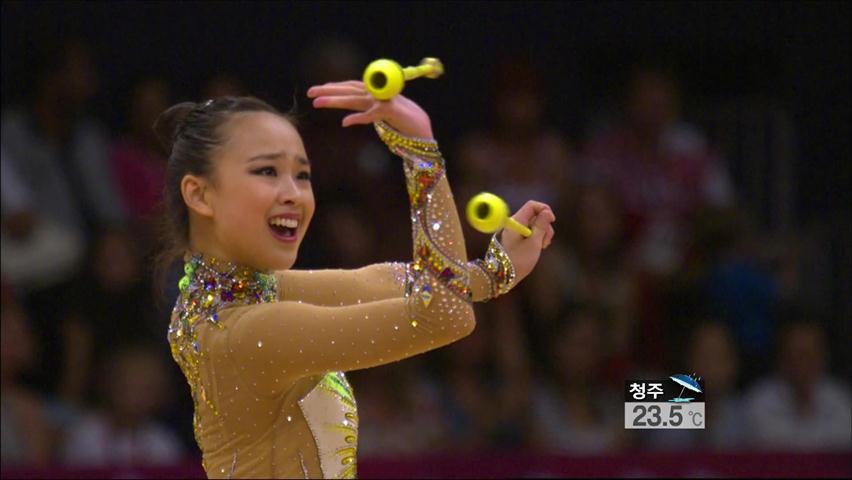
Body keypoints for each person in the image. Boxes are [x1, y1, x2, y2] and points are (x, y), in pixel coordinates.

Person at [155, 80, 556, 478]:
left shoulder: (224, 294)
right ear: (200, 195)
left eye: (302, 175)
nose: (294, 194)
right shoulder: (249, 332)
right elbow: (445, 316)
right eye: (266, 171)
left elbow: (386, 280)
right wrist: (420, 155)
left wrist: (493, 273)